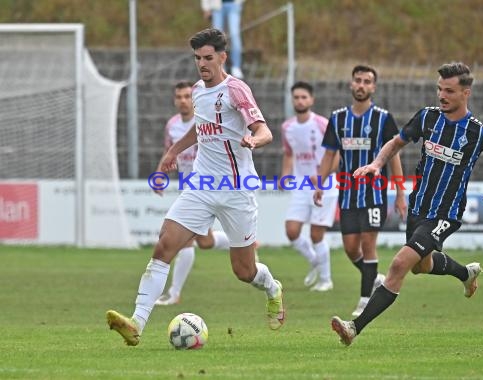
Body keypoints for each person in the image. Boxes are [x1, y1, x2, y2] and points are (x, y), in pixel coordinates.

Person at [106, 28, 284, 346]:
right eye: (197, 58)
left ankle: (272, 288)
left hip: (236, 191)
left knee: (244, 271)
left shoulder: (236, 90)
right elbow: (199, 129)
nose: (202, 64)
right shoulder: (199, 91)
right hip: (201, 186)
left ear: (222, 57)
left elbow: (264, 130)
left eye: (208, 58)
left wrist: (253, 139)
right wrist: (172, 151)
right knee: (164, 247)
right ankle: (136, 323)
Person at [331, 62, 483, 346]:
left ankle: (354, 328)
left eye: (449, 90)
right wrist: (376, 163)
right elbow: (396, 142)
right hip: (418, 208)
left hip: (445, 214)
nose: (441, 95)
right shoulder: (427, 118)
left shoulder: (478, 131)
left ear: (465, 93)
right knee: (421, 266)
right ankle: (466, 273)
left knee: (398, 265)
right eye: (439, 89)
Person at [313, 65, 407, 316]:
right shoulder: (338, 118)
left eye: (367, 81)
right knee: (350, 248)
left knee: (368, 245)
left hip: (374, 194)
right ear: (351, 84)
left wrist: (399, 193)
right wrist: (320, 184)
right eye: (358, 80)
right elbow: (329, 154)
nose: (362, 85)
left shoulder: (383, 118)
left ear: (373, 87)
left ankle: (365, 300)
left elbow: (394, 157)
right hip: (347, 194)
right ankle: (373, 277)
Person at [153, 80, 231, 306]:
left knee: (184, 240)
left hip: (207, 186)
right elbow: (169, 151)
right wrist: (160, 174)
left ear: (195, 98)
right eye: (179, 97)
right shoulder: (172, 125)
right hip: (188, 188)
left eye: (188, 96)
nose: (183, 101)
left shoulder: (206, 122)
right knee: (204, 241)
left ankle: (174, 294)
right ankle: (244, 241)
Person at [280, 81, 338, 292]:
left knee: (316, 234)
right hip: (301, 186)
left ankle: (325, 279)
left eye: (304, 97)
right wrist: (285, 175)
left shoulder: (323, 124)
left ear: (311, 100)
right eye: (296, 97)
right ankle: (315, 260)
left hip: (326, 186)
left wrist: (322, 176)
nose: (300, 101)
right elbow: (288, 154)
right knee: (292, 230)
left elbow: (337, 155)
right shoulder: (287, 127)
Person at [201, 0, 245, 79]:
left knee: (234, 34)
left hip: (233, 5)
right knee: (217, 36)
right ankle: (220, 66)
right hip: (217, 6)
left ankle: (236, 66)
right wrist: (206, 8)